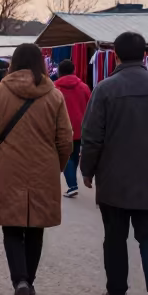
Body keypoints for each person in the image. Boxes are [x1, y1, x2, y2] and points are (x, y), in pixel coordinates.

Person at [79, 32, 148, 295]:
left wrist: (87, 169)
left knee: (115, 237)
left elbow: (92, 136)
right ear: (145, 54)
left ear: (116, 55)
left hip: (114, 180)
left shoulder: (105, 89)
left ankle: (116, 292)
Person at [0, 44, 74, 295]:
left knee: (11, 228)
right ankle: (29, 281)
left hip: (8, 167)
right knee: (35, 229)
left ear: (13, 63)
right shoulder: (54, 96)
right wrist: (58, 165)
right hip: (44, 168)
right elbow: (65, 138)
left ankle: (18, 279)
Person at [54, 59, 91, 198]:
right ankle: (72, 181)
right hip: (80, 127)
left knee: (64, 155)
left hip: (62, 128)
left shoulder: (55, 88)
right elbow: (90, 108)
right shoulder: (84, 87)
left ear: (59, 71)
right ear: (73, 70)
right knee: (74, 154)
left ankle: (72, 184)